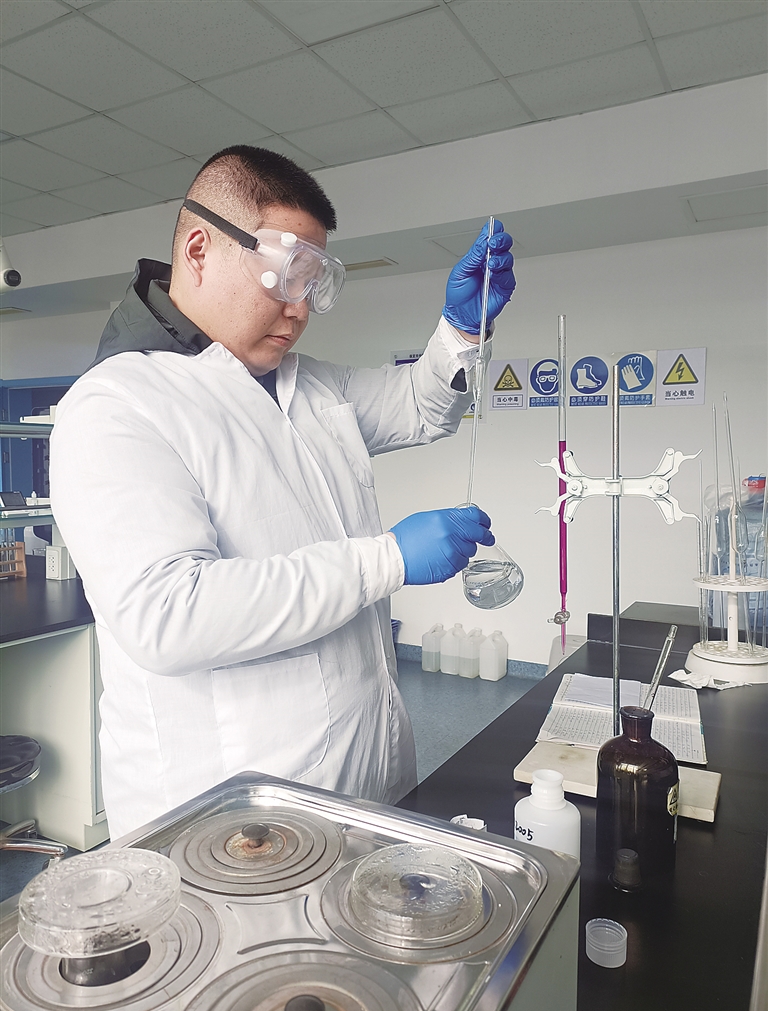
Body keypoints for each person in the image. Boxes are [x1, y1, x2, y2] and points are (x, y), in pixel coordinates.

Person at [50, 146, 515, 839]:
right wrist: (385, 559)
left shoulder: (310, 383)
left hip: (368, 777)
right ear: (200, 250)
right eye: (285, 274)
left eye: (314, 283)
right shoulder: (117, 404)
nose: (300, 309)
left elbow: (421, 406)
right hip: (226, 820)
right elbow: (167, 615)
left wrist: (461, 329)